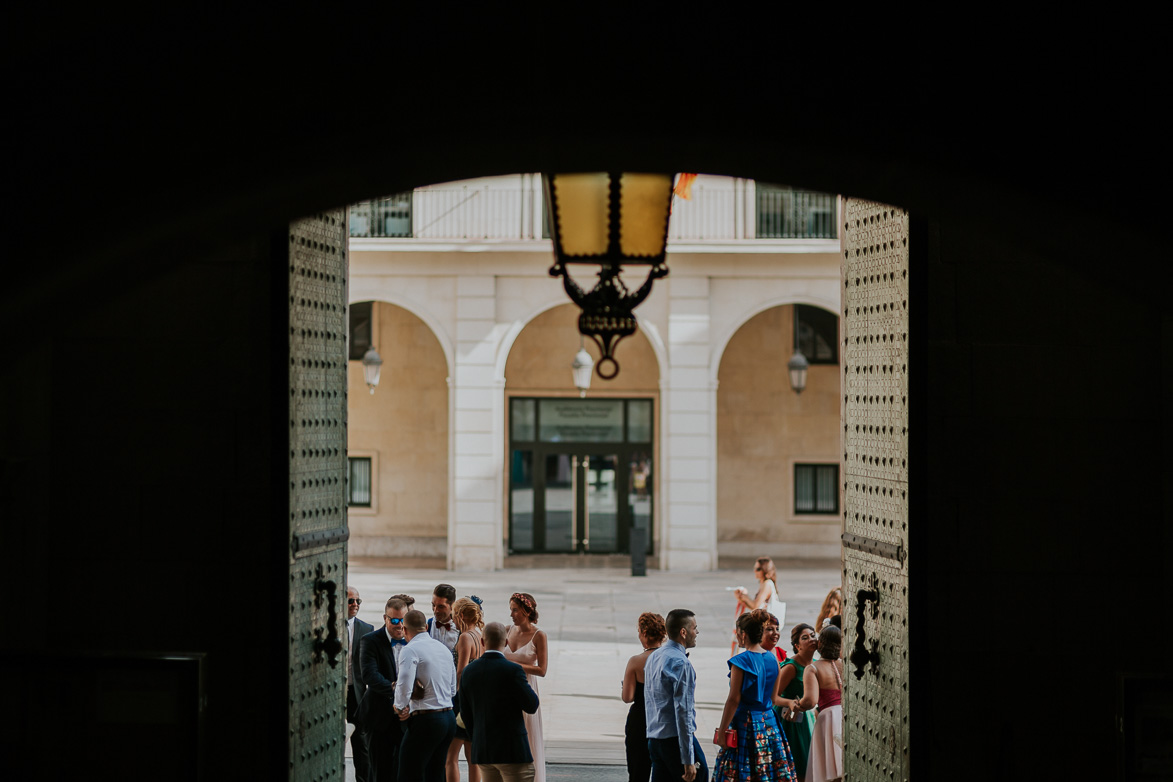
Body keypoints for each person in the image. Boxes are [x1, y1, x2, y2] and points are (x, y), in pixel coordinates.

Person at [712, 609, 797, 782]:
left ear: (743, 634)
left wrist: (722, 730)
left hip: (745, 723)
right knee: (769, 769)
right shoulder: (773, 659)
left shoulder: (741, 661)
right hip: (769, 722)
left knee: (739, 769)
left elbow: (733, 699)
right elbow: (773, 699)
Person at [458, 622, 541, 782]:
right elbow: (531, 705)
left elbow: (466, 713)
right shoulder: (513, 670)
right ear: (506, 642)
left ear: (482, 642)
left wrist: (478, 738)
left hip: (483, 750)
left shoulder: (468, 671)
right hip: (512, 750)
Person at [644, 608, 707, 782]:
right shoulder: (681, 663)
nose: (697, 632)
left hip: (655, 738)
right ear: (683, 632)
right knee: (700, 775)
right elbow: (683, 712)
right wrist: (688, 759)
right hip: (674, 740)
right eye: (695, 628)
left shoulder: (654, 656)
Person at [395, 609, 457, 782]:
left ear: (404, 629)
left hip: (427, 720)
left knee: (409, 773)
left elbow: (404, 684)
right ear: (427, 626)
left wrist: (399, 706)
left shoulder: (410, 650)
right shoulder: (443, 648)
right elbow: (453, 689)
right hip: (448, 717)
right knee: (436, 773)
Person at [783, 626, 843, 782]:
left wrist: (798, 705)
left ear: (820, 643)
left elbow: (810, 701)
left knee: (828, 768)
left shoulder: (813, 668)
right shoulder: (844, 665)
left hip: (828, 719)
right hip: (845, 715)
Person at [360, 597, 410, 782]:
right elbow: (370, 676)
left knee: (402, 771)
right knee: (380, 771)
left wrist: (408, 705)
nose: (399, 625)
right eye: (394, 620)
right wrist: (398, 693)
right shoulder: (370, 640)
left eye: (402, 620)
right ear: (385, 618)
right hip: (379, 716)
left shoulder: (413, 640)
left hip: (406, 717)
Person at [503, 593, 548, 782]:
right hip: (504, 691)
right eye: (511, 610)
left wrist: (515, 667)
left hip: (525, 688)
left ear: (527, 611)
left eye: (515, 610)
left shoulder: (539, 635)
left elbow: (542, 669)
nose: (512, 614)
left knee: (527, 737)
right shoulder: (507, 630)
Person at [621, 612, 665, 782]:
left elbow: (627, 697)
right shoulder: (671, 658)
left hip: (641, 719)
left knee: (638, 771)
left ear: (644, 633)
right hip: (663, 718)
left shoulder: (636, 661)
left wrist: (625, 685)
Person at [446, 596, 485, 782]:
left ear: (461, 615)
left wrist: (453, 698)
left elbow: (461, 672)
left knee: (450, 758)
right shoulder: (479, 635)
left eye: (453, 615)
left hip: (461, 702)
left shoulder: (464, 638)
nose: (452, 619)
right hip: (477, 701)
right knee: (472, 759)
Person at [775, 624, 817, 782]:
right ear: (797, 646)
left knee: (807, 762)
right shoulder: (792, 667)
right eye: (805, 638)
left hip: (806, 718)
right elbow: (774, 697)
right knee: (795, 762)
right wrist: (790, 702)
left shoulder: (815, 663)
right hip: (788, 720)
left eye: (813, 635)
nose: (811, 639)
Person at [348, 587, 375, 782]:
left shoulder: (367, 629)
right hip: (331, 695)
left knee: (361, 743)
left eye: (358, 601)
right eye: (351, 601)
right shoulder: (324, 625)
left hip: (355, 693)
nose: (355, 605)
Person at [732, 558, 785, 653]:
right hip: (763, 624)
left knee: (763, 649)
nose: (754, 571)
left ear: (765, 570)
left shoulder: (767, 584)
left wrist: (744, 596)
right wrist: (741, 598)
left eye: (758, 569)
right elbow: (754, 608)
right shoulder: (763, 584)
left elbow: (756, 605)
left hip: (766, 625)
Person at [429, 584, 459, 652]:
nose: (435, 610)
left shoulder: (460, 629)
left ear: (452, 606)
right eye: (433, 605)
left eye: (441, 607)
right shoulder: (428, 625)